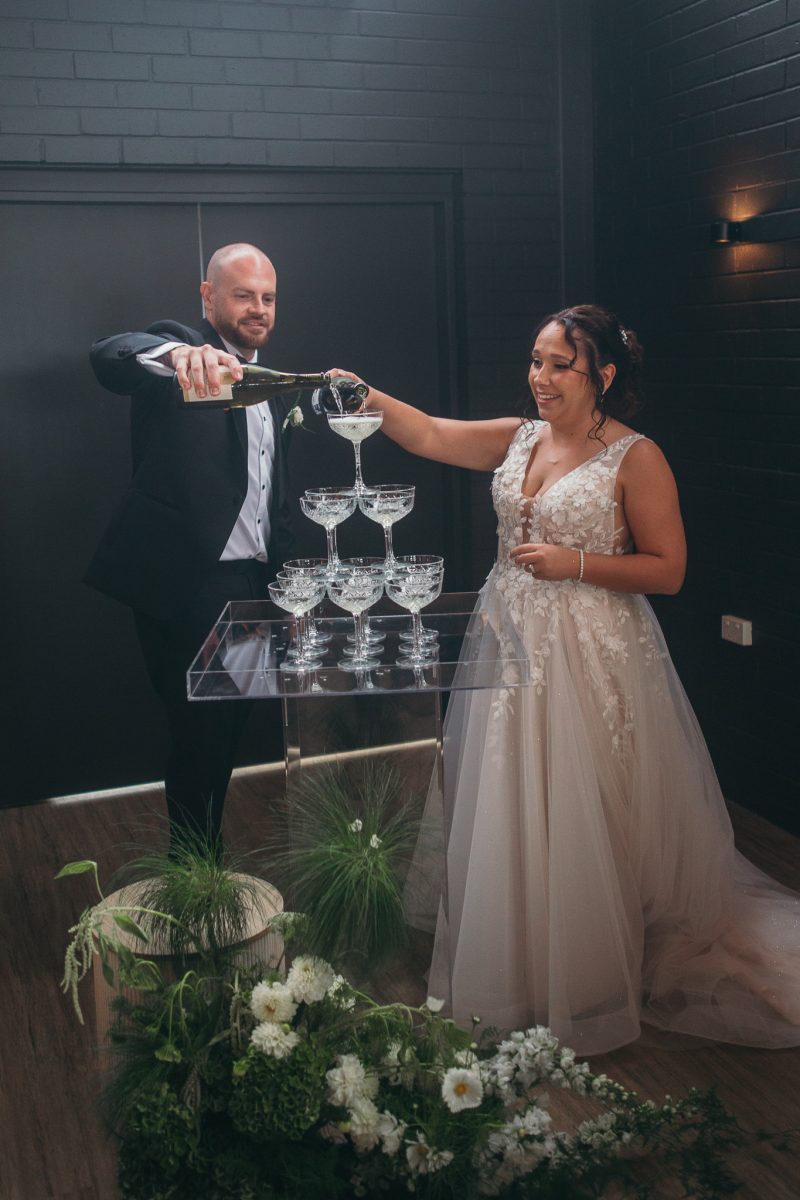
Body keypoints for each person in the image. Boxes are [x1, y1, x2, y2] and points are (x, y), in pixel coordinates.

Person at [329, 303, 800, 1056]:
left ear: (602, 376)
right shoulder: (520, 438)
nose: (539, 378)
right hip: (507, 633)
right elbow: (430, 433)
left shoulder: (635, 457)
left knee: (590, 798)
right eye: (536, 361)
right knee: (511, 790)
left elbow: (669, 569)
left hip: (591, 648)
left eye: (559, 366)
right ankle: (519, 944)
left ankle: (589, 960)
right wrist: (368, 395)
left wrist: (574, 562)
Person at [86, 243, 296, 847]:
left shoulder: (272, 386)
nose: (258, 308)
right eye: (243, 295)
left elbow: (271, 498)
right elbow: (110, 355)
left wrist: (287, 592)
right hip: (194, 586)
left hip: (256, 584)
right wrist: (177, 353)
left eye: (268, 297)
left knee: (228, 734)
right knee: (199, 740)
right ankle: (195, 876)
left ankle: (207, 870)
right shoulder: (181, 353)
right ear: (208, 296)